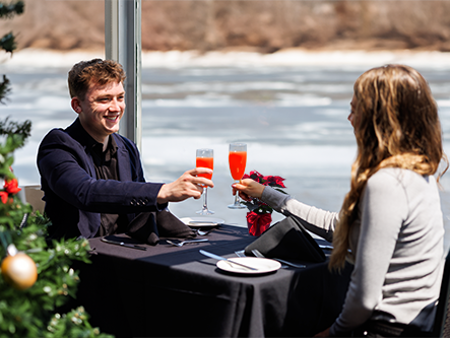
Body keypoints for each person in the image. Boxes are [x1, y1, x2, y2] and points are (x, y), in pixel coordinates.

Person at [233, 64, 448, 337]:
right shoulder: (418, 171)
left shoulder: (388, 183)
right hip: (417, 325)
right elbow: (339, 226)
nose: (349, 118)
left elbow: (365, 296)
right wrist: (267, 195)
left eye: (355, 109)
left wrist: (333, 333)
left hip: (386, 329)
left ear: (379, 119)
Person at [37, 58, 213, 240]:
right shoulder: (57, 145)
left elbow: (140, 210)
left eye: (120, 98)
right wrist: (162, 191)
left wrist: (186, 233)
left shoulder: (127, 148)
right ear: (77, 105)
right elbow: (85, 192)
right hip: (76, 260)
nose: (116, 108)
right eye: (104, 99)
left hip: (124, 253)